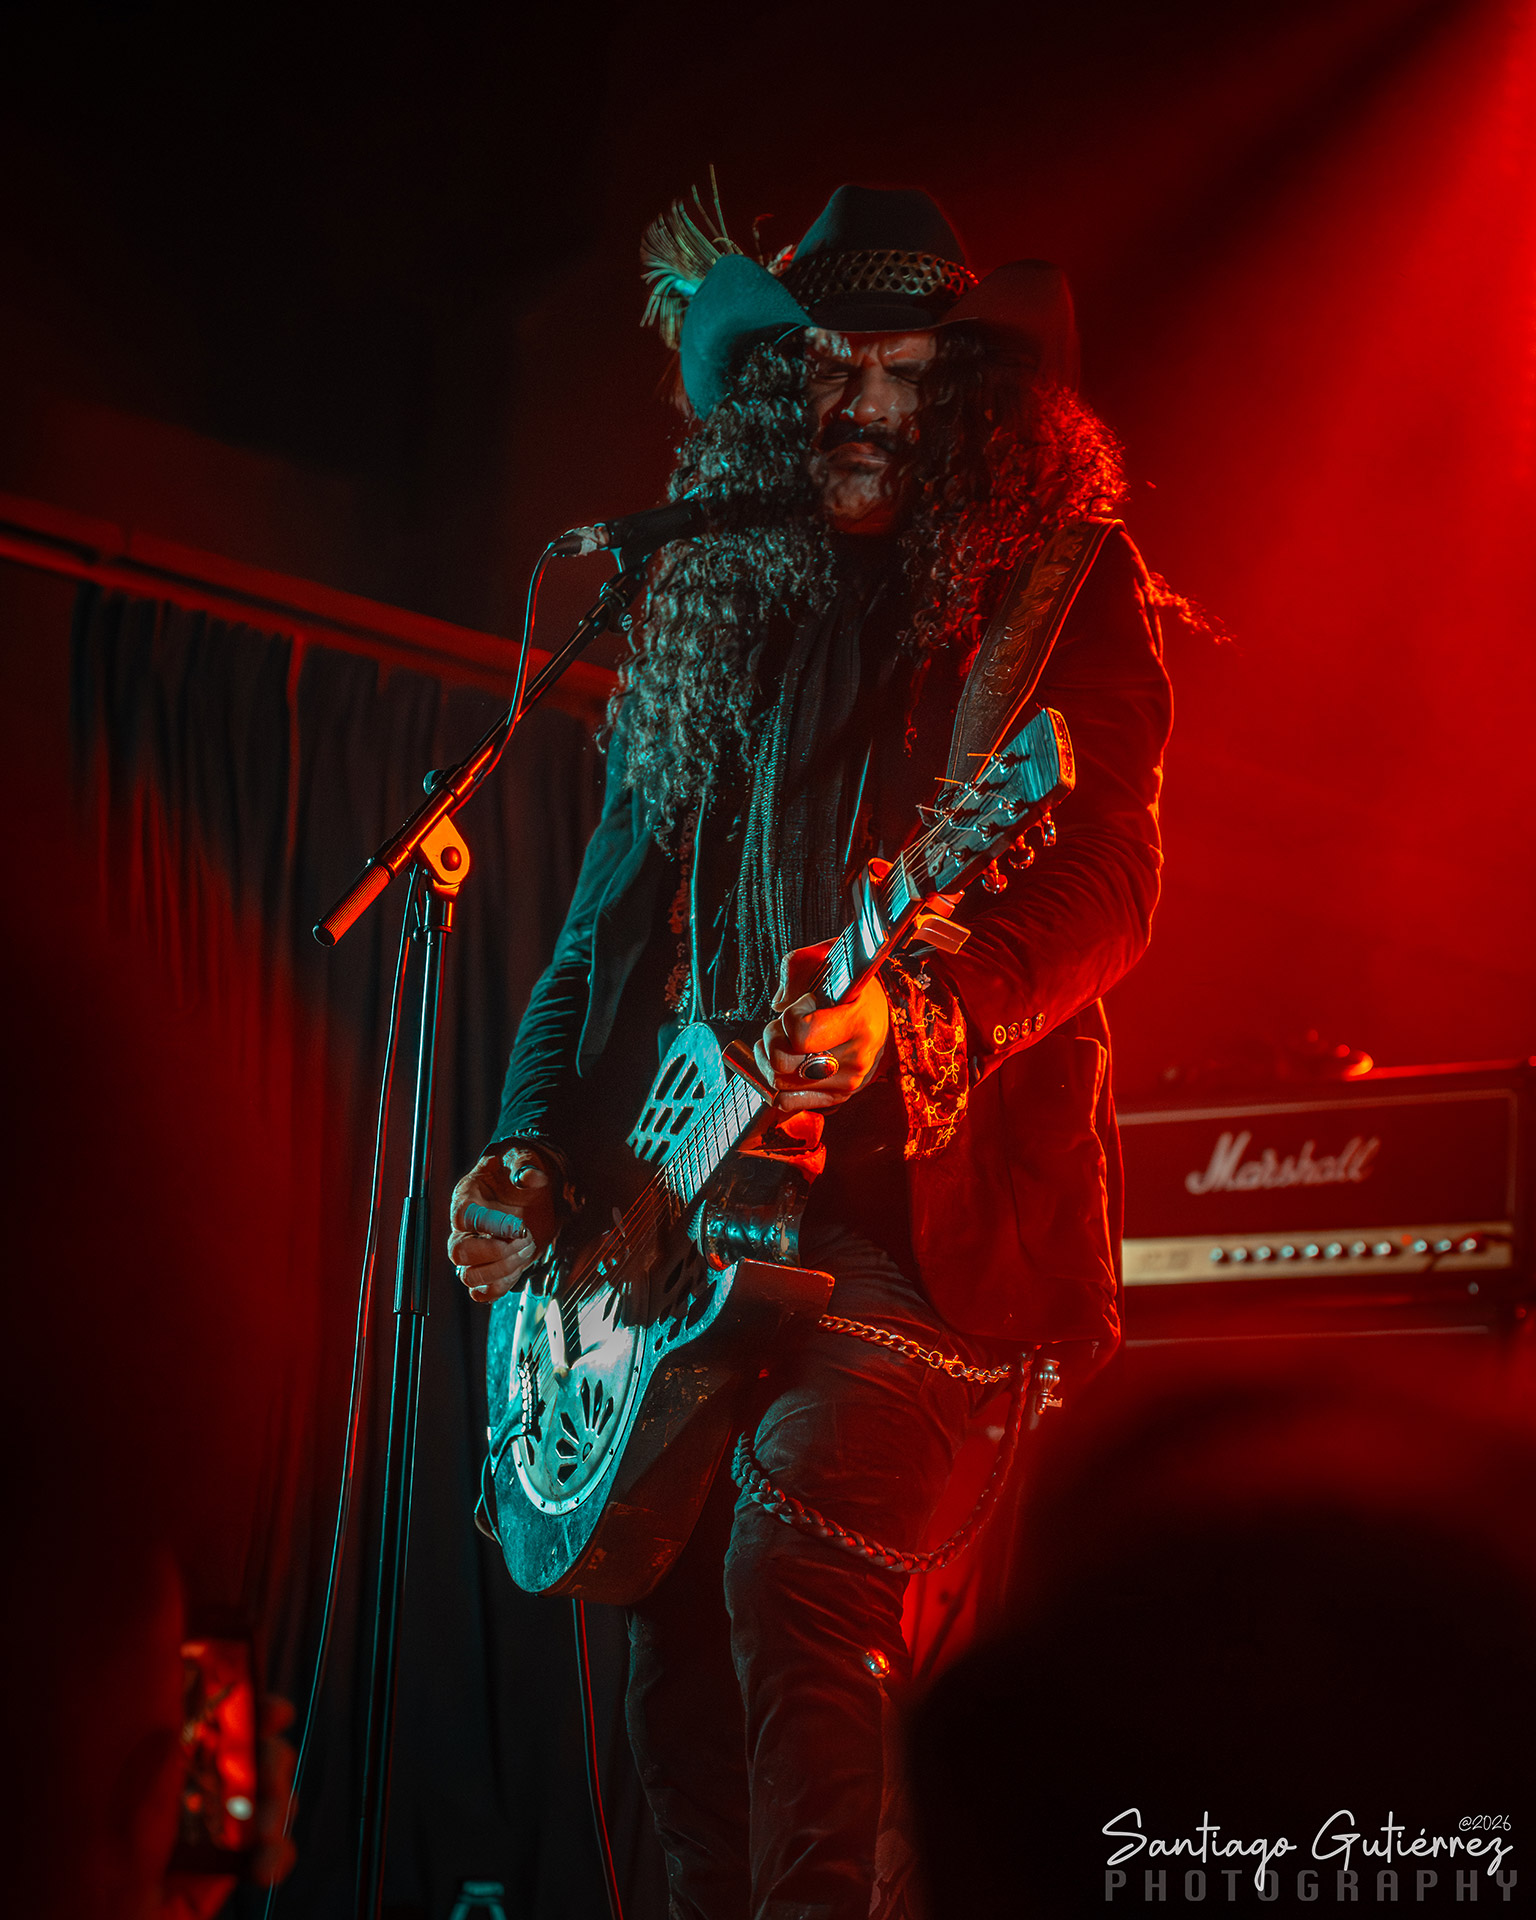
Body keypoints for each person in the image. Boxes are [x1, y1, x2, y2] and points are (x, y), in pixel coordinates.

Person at [448, 182, 1173, 1918]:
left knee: (787, 1563)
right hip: (692, 1231)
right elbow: (592, 947)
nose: (867, 410)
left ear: (974, 402)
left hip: (924, 1242)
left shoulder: (1059, 585)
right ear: (774, 399)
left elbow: (1111, 882)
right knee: (670, 1667)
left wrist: (919, 1013)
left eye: (910, 377)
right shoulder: (716, 614)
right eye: (832, 374)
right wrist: (529, 1149)